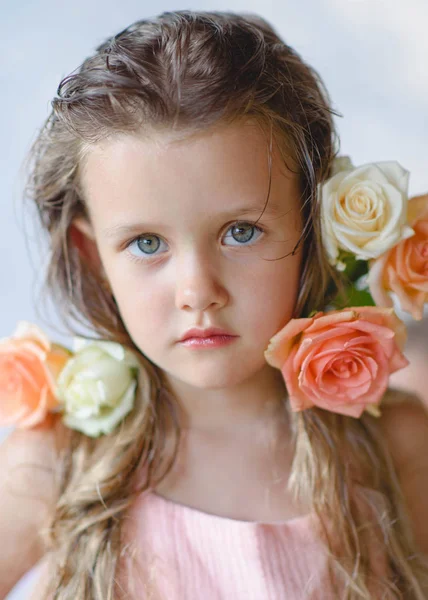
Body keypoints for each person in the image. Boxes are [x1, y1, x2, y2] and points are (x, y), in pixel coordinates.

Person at [1, 10, 428, 600]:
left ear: (312, 225)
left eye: (241, 232)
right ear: (93, 254)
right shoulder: (57, 463)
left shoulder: (392, 448)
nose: (199, 290)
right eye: (147, 244)